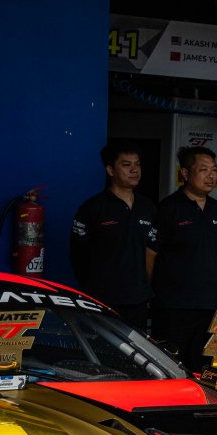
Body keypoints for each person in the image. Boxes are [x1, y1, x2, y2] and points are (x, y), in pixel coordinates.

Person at [147, 146, 217, 370]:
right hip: (174, 308)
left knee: (205, 369)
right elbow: (150, 255)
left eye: (214, 170)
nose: (211, 175)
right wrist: (153, 294)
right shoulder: (168, 208)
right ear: (184, 173)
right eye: (203, 169)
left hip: (210, 307)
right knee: (172, 367)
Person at [70, 141, 156, 331]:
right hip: (103, 301)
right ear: (110, 170)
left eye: (137, 164)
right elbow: (78, 256)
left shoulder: (148, 207)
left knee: (137, 349)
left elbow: (151, 251)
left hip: (138, 300)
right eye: (126, 165)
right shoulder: (93, 208)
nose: (134, 170)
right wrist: (94, 291)